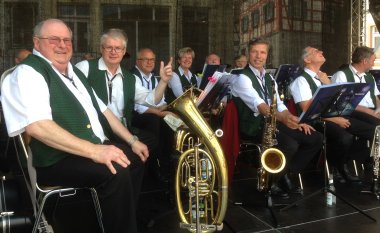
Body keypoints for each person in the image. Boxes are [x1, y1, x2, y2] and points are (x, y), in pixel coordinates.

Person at [1, 18, 147, 233]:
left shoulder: (74, 72)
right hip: (55, 160)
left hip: (85, 150)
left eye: (67, 40)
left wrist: (132, 140)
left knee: (137, 158)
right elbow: (37, 127)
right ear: (37, 42)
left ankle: (115, 220)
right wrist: (96, 151)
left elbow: (104, 111)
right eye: (54, 39)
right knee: (116, 171)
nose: (62, 45)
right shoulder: (28, 72)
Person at [230, 38, 323, 198]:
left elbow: (279, 105)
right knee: (290, 144)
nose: (258, 56)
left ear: (267, 56)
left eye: (262, 52)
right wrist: (284, 119)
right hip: (255, 126)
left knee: (315, 138)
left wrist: (294, 119)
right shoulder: (242, 78)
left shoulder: (269, 78)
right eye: (254, 52)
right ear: (248, 54)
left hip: (272, 123)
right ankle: (272, 181)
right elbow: (261, 107)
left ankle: (284, 174)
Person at [75, 29, 173, 174]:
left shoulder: (129, 78)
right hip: (96, 131)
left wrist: (163, 81)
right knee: (137, 157)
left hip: (122, 130)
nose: (114, 52)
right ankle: (122, 173)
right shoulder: (85, 67)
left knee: (151, 141)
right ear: (102, 49)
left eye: (118, 48)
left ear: (124, 51)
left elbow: (152, 100)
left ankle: (126, 173)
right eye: (109, 47)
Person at [289, 46, 374, 183]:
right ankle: (339, 167)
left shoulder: (322, 76)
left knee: (373, 129)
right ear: (307, 59)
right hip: (315, 121)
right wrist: (334, 118)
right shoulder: (301, 81)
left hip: (332, 115)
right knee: (345, 137)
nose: (321, 52)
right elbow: (308, 110)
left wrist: (328, 83)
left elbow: (337, 101)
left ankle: (361, 159)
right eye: (316, 52)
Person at [130, 47, 174, 181]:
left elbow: (162, 102)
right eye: (146, 60)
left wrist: (171, 111)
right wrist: (159, 112)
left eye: (152, 60)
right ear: (137, 61)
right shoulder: (131, 77)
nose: (150, 63)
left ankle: (166, 164)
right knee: (154, 121)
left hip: (154, 114)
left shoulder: (156, 79)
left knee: (170, 123)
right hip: (134, 116)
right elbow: (135, 105)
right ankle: (153, 166)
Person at [331, 46, 380, 126]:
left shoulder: (369, 77)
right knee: (377, 124)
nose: (373, 64)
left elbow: (375, 97)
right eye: (373, 61)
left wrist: (379, 108)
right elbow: (341, 103)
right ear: (365, 61)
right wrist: (370, 112)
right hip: (353, 112)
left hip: (372, 111)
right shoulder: (342, 75)